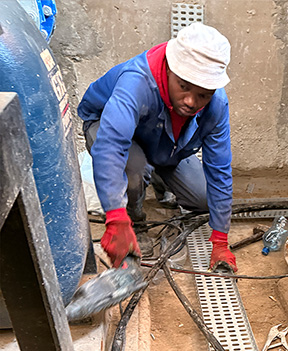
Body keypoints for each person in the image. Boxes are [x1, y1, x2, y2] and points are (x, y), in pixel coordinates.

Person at [77, 22, 237, 272]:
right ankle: (135, 222)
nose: (190, 101)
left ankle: (160, 176)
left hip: (162, 140)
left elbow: (219, 169)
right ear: (170, 69)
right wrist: (116, 220)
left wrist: (220, 240)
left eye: (203, 95)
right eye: (184, 87)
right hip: (106, 127)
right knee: (134, 168)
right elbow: (111, 147)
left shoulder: (216, 104)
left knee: (203, 199)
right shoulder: (137, 82)